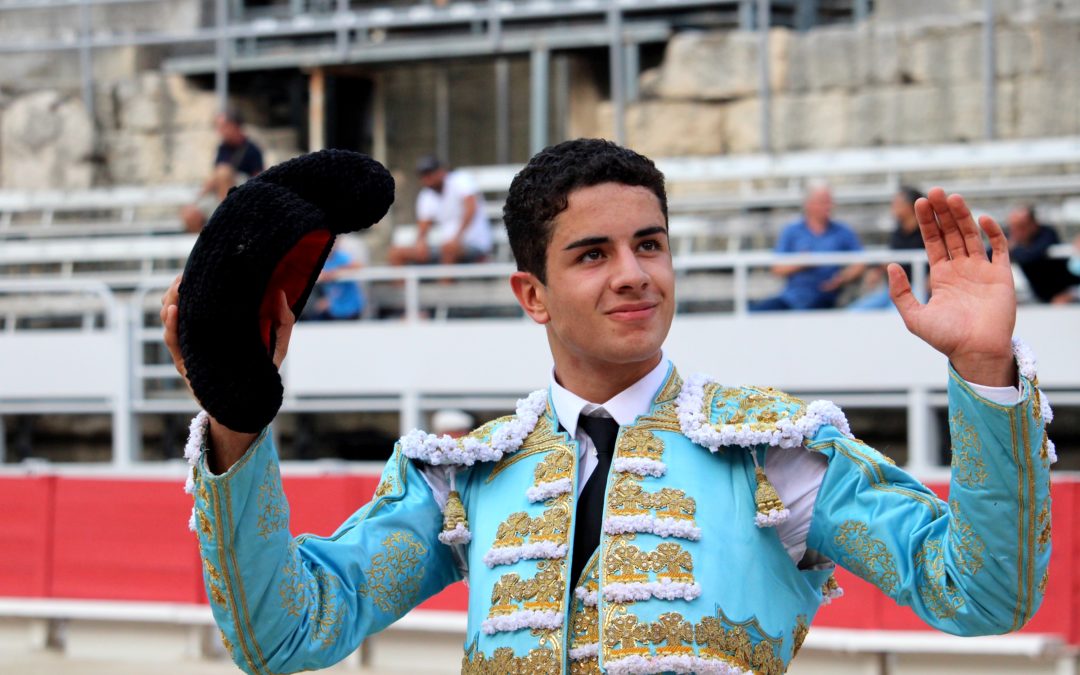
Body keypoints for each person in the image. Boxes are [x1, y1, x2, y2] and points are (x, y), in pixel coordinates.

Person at [162, 139, 1052, 675]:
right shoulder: (469, 478)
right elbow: (284, 632)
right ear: (532, 293)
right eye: (592, 253)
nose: (634, 272)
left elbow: (979, 593)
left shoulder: (775, 454)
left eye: (650, 244)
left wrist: (983, 372)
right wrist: (238, 427)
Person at [751, 184, 866, 311]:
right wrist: (801, 263)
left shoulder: (843, 231)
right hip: (792, 297)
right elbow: (777, 268)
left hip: (826, 297)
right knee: (756, 312)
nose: (828, 206)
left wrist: (842, 278)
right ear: (808, 204)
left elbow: (860, 262)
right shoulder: (791, 231)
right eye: (823, 202)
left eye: (829, 202)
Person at [387, 156, 493, 266]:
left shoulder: (460, 180)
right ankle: (407, 283)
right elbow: (424, 225)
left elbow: (471, 209)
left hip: (475, 245)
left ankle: (444, 283)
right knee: (396, 253)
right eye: (423, 175)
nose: (427, 178)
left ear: (441, 171)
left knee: (449, 249)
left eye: (429, 173)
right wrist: (421, 243)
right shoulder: (426, 196)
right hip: (446, 247)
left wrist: (456, 238)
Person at [179, 109, 265, 233]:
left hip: (240, 196)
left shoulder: (252, 150)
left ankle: (227, 219)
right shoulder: (223, 148)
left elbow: (258, 178)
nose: (220, 131)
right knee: (189, 214)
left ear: (234, 126)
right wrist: (197, 200)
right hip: (218, 197)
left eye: (223, 126)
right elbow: (215, 177)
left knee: (224, 172)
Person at [849, 186, 927, 311]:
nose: (893, 206)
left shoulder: (927, 233)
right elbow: (894, 259)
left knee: (896, 314)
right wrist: (876, 270)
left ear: (909, 206)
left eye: (897, 203)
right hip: (896, 288)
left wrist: (924, 286)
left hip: (919, 289)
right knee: (856, 311)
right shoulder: (898, 233)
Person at [1007, 205, 1080, 304]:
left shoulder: (1047, 234)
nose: (1016, 231)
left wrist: (1011, 249)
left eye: (1021, 226)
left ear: (1033, 224)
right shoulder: (1012, 237)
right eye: (1013, 226)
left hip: (1067, 291)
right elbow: (989, 255)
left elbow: (1031, 256)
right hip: (1041, 296)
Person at [300, 236, 366, 322]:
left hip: (348, 307)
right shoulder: (317, 258)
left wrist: (335, 273)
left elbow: (358, 266)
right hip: (332, 307)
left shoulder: (341, 256)